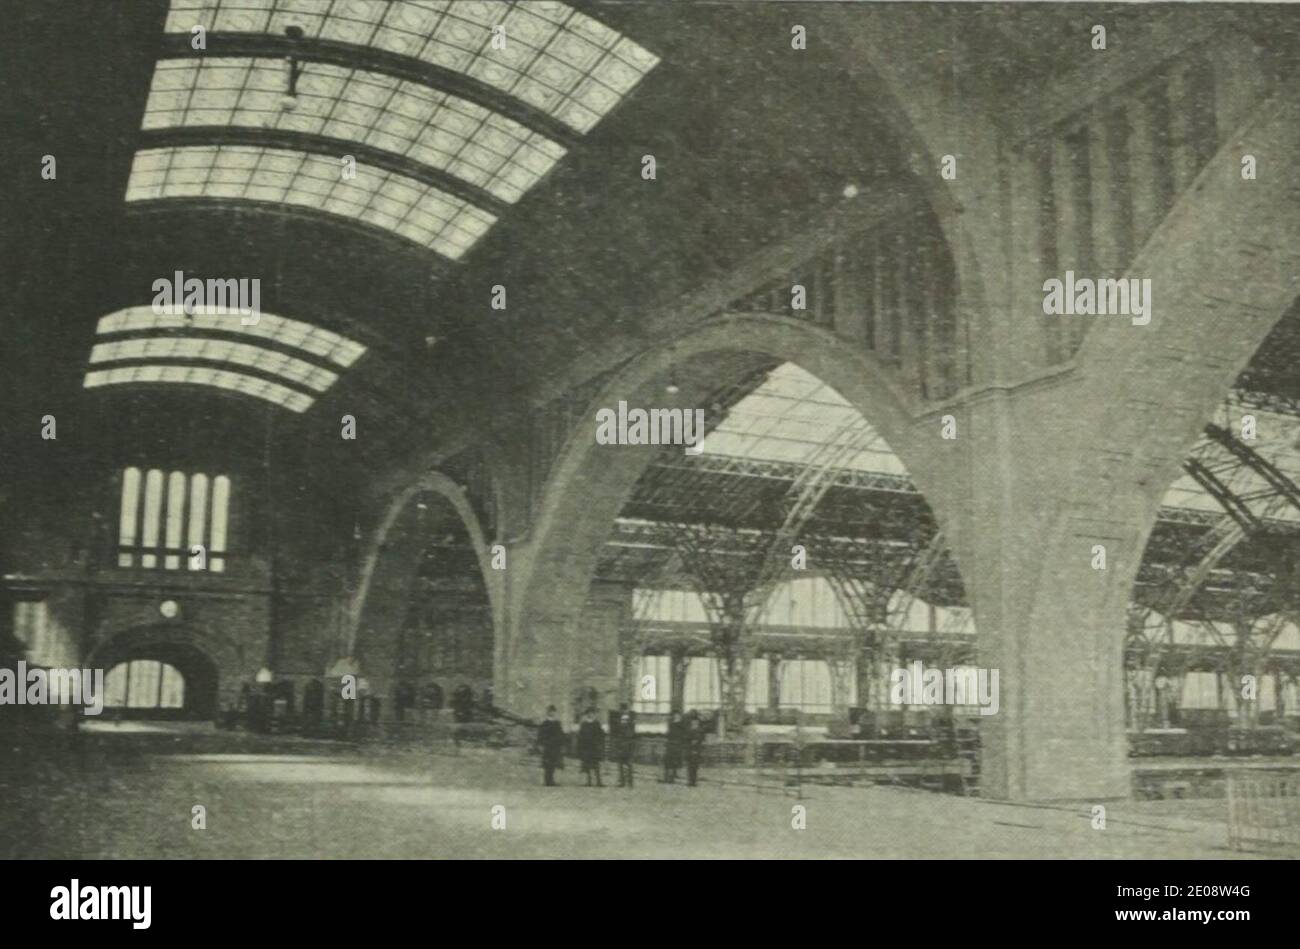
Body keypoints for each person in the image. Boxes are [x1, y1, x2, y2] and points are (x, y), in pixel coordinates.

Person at [536, 705, 566, 787]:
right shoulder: (544, 723)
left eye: (553, 711)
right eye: (550, 711)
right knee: (547, 763)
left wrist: (562, 744)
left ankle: (551, 780)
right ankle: (547, 780)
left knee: (553, 763)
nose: (552, 713)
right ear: (547, 712)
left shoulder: (557, 723)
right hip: (547, 746)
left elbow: (561, 734)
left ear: (555, 712)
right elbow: (540, 735)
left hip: (555, 746)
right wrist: (540, 744)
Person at [576, 707, 605, 787]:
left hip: (594, 747)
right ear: (587, 715)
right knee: (587, 765)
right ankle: (589, 781)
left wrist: (599, 743)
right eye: (589, 713)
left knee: (596, 765)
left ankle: (599, 781)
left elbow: (601, 735)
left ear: (594, 714)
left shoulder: (597, 724)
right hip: (587, 747)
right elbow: (580, 736)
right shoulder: (584, 724)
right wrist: (581, 747)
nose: (590, 715)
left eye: (592, 713)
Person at [611, 703, 636, 787]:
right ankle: (625, 781)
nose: (623, 712)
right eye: (622, 711)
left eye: (624, 710)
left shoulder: (629, 721)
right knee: (622, 763)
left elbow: (631, 733)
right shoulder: (622, 720)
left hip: (627, 744)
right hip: (622, 744)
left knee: (627, 763)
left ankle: (628, 781)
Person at [684, 710, 706, 787]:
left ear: (698, 722)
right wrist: (691, 741)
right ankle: (690, 781)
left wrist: (697, 741)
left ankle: (694, 781)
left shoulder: (700, 730)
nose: (694, 723)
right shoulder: (689, 730)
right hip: (690, 750)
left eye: (696, 722)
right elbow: (686, 739)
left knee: (695, 767)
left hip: (696, 750)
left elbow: (702, 738)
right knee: (690, 767)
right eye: (693, 722)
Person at [662, 710, 684, 783]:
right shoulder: (671, 724)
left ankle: (672, 777)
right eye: (675, 715)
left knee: (675, 761)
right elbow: (668, 734)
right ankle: (667, 777)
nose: (676, 716)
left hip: (677, 744)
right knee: (668, 761)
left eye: (678, 715)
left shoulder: (681, 724)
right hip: (670, 743)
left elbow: (682, 735)